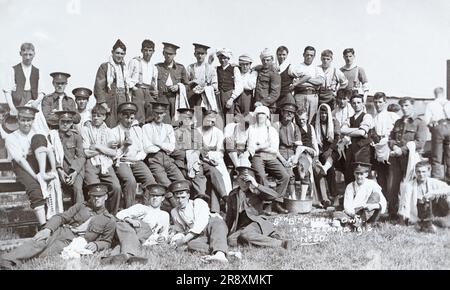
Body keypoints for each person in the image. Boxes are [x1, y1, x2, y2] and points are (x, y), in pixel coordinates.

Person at [0, 183, 116, 270]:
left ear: (106, 197)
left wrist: (96, 244)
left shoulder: (109, 220)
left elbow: (107, 241)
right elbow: (61, 217)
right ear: (90, 196)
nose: (96, 199)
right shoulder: (81, 206)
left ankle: (15, 263)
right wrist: (47, 229)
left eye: (100, 196)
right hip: (62, 231)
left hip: (72, 242)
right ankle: (6, 259)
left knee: (45, 254)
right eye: (94, 196)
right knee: (40, 241)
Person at [5, 106, 58, 225]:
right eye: (23, 120)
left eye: (29, 120)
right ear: (17, 120)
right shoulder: (11, 137)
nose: (26, 123)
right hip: (23, 167)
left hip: (40, 164)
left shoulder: (37, 133)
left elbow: (50, 151)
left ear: (33, 120)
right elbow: (20, 161)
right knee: (35, 190)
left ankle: (54, 222)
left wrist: (53, 170)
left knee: (39, 138)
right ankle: (44, 226)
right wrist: (36, 177)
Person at [101, 184, 170, 265]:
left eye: (157, 196)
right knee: (122, 226)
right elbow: (120, 214)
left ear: (163, 198)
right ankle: (129, 255)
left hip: (143, 237)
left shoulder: (165, 214)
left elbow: (164, 233)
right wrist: (130, 220)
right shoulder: (141, 208)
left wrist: (163, 238)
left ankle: (112, 258)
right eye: (152, 196)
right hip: (129, 230)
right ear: (149, 197)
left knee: (127, 239)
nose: (154, 198)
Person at [226, 166, 292, 249]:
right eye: (242, 179)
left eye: (248, 181)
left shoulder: (256, 191)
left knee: (245, 235)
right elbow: (229, 217)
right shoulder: (233, 194)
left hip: (257, 222)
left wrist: (256, 185)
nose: (245, 183)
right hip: (243, 226)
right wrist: (225, 233)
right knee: (230, 240)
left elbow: (274, 196)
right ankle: (265, 237)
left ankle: (281, 243)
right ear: (237, 179)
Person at [169, 180, 229, 263]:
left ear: (188, 196)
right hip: (199, 235)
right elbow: (181, 230)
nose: (180, 200)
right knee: (191, 245)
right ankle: (223, 252)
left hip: (211, 226)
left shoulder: (198, 203)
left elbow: (200, 224)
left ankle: (220, 253)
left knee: (217, 223)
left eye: (183, 197)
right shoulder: (174, 212)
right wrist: (177, 239)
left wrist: (183, 240)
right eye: (177, 198)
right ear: (174, 198)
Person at [388, 97, 428, 221]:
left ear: (412, 106)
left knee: (410, 186)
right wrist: (393, 145)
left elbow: (420, 142)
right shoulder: (398, 122)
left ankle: (411, 215)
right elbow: (391, 138)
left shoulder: (419, 122)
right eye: (402, 106)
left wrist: (402, 149)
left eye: (407, 106)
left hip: (411, 160)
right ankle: (393, 214)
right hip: (396, 159)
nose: (404, 109)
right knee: (393, 187)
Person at [111, 102, 156, 208]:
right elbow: (113, 155)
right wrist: (124, 147)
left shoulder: (137, 130)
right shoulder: (113, 132)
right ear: (120, 116)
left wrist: (135, 158)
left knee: (150, 180)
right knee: (131, 181)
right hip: (121, 162)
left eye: (132, 118)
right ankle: (129, 209)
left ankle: (146, 208)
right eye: (126, 118)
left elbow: (143, 150)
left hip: (136, 160)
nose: (129, 121)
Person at [142, 101, 184, 210]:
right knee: (166, 184)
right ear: (153, 113)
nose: (158, 116)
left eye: (161, 113)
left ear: (165, 114)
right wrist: (164, 145)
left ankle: (185, 208)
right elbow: (147, 147)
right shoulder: (147, 127)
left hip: (168, 158)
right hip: (154, 159)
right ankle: (177, 210)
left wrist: (157, 142)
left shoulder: (168, 127)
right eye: (156, 113)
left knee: (181, 180)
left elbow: (172, 147)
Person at [247, 105, 290, 213]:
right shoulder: (251, 129)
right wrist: (265, 145)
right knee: (261, 176)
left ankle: (277, 202)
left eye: (263, 114)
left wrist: (259, 146)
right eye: (258, 114)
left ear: (267, 116)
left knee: (285, 176)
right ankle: (267, 204)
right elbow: (251, 147)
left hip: (270, 156)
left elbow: (274, 149)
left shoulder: (271, 130)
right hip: (257, 156)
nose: (260, 116)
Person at [81, 104, 121, 215]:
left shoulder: (109, 131)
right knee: (95, 189)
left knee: (116, 187)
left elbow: (113, 152)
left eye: (99, 116)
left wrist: (97, 146)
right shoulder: (85, 129)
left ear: (104, 117)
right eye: (94, 115)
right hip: (91, 162)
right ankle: (95, 215)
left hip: (106, 163)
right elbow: (86, 152)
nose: (96, 118)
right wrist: (105, 148)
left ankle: (113, 214)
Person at [398, 161, 450, 232]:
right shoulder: (409, 186)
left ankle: (437, 222)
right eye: (418, 172)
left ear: (429, 171)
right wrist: (403, 222)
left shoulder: (433, 182)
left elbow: (448, 188)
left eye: (423, 172)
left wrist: (433, 193)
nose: (421, 174)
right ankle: (424, 224)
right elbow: (404, 203)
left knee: (447, 198)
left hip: (433, 212)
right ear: (415, 172)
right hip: (417, 214)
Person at [197, 109, 232, 212]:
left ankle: (220, 206)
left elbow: (220, 152)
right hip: (201, 159)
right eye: (207, 118)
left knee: (220, 175)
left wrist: (210, 155)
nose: (210, 121)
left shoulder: (218, 132)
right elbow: (196, 149)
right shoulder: (197, 131)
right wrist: (205, 155)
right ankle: (211, 208)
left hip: (216, 160)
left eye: (212, 120)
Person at [333, 162, 387, 229]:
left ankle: (358, 224)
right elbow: (347, 205)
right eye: (357, 173)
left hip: (369, 211)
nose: (359, 177)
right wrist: (353, 214)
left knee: (376, 196)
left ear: (366, 174)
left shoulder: (372, 184)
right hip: (355, 212)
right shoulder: (350, 186)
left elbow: (383, 202)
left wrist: (374, 206)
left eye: (361, 174)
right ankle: (360, 224)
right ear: (354, 173)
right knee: (336, 214)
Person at [49, 111, 86, 205]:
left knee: (77, 188)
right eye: (62, 121)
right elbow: (51, 155)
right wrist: (59, 169)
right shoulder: (52, 136)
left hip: (75, 168)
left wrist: (74, 172)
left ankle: (79, 214)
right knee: (55, 187)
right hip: (58, 169)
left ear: (72, 123)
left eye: (68, 122)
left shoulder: (76, 136)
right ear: (58, 122)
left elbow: (81, 156)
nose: (65, 124)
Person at [94, 39, 130, 128]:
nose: (119, 56)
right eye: (117, 53)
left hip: (123, 99)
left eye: (122, 54)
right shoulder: (105, 67)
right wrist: (103, 104)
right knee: (110, 124)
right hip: (110, 101)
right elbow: (99, 87)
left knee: (123, 126)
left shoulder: (124, 68)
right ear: (112, 52)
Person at [341, 94, 374, 184]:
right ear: (351, 105)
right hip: (351, 151)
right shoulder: (349, 118)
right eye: (354, 103)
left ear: (363, 103)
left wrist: (350, 131)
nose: (356, 105)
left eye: (358, 102)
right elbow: (342, 130)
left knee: (363, 175)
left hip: (363, 150)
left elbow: (362, 132)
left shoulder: (367, 116)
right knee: (349, 175)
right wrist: (358, 129)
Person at [371, 92, 400, 195]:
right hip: (379, 147)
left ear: (385, 102)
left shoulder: (392, 115)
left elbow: (399, 130)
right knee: (381, 173)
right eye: (375, 102)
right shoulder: (374, 118)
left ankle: (392, 199)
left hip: (389, 145)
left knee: (391, 173)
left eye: (380, 102)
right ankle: (385, 199)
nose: (378, 105)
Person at [313, 104, 341, 207]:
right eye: (321, 113)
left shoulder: (334, 121)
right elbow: (313, 136)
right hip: (320, 150)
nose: (323, 115)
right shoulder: (315, 121)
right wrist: (319, 151)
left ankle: (335, 196)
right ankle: (323, 198)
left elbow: (337, 138)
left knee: (331, 170)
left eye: (325, 113)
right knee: (321, 170)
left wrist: (329, 150)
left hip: (333, 150)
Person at [3, 43, 43, 116]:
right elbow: (7, 91)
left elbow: (41, 92)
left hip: (32, 101)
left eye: (30, 54)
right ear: (20, 53)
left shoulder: (37, 71)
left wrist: (37, 102)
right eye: (25, 54)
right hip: (17, 102)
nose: (28, 57)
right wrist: (12, 108)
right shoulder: (13, 69)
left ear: (34, 54)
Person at [273, 101, 302, 200]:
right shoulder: (277, 125)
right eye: (287, 111)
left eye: (292, 112)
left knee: (305, 169)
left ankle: (298, 198)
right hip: (279, 154)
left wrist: (295, 158)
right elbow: (274, 147)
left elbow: (299, 145)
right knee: (289, 173)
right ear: (282, 112)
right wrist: (283, 160)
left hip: (293, 154)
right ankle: (290, 199)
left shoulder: (295, 126)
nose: (290, 114)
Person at [289, 46, 325, 122]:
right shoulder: (297, 67)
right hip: (300, 95)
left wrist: (305, 78)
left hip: (312, 95)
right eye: (307, 54)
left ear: (314, 56)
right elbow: (295, 83)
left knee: (312, 120)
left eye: (311, 55)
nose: (309, 57)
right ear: (303, 55)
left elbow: (320, 82)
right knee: (299, 118)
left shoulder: (317, 68)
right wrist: (312, 82)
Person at [155, 42, 189, 123]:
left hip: (175, 99)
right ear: (163, 53)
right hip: (162, 98)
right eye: (166, 53)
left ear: (175, 55)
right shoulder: (157, 67)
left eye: (171, 54)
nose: (168, 56)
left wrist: (178, 87)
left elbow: (187, 86)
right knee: (164, 122)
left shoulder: (180, 68)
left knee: (176, 122)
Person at [128, 39, 159, 125]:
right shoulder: (135, 62)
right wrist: (133, 87)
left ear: (153, 51)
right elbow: (127, 77)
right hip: (138, 88)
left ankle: (148, 125)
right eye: (145, 50)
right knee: (139, 110)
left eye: (150, 51)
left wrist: (154, 91)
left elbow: (154, 82)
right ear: (142, 50)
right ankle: (139, 125)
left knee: (152, 107)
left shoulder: (154, 67)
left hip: (148, 90)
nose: (148, 53)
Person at [424, 87, 450, 181]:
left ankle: (436, 178)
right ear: (443, 93)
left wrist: (431, 126)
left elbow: (427, 120)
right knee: (449, 154)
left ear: (435, 94)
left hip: (438, 127)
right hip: (449, 127)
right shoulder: (448, 103)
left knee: (436, 154)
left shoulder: (431, 104)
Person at [186, 43, 218, 112]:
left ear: (206, 54)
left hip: (205, 97)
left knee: (202, 118)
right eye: (198, 53)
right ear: (195, 54)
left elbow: (215, 85)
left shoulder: (210, 68)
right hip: (192, 97)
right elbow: (185, 83)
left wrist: (206, 88)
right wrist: (193, 82)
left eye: (202, 54)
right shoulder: (190, 67)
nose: (200, 56)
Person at [216, 48, 243, 120]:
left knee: (229, 118)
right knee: (219, 118)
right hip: (218, 96)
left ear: (228, 58)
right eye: (220, 58)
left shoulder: (234, 69)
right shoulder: (216, 69)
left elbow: (239, 85)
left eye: (225, 58)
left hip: (229, 95)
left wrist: (231, 99)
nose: (222, 60)